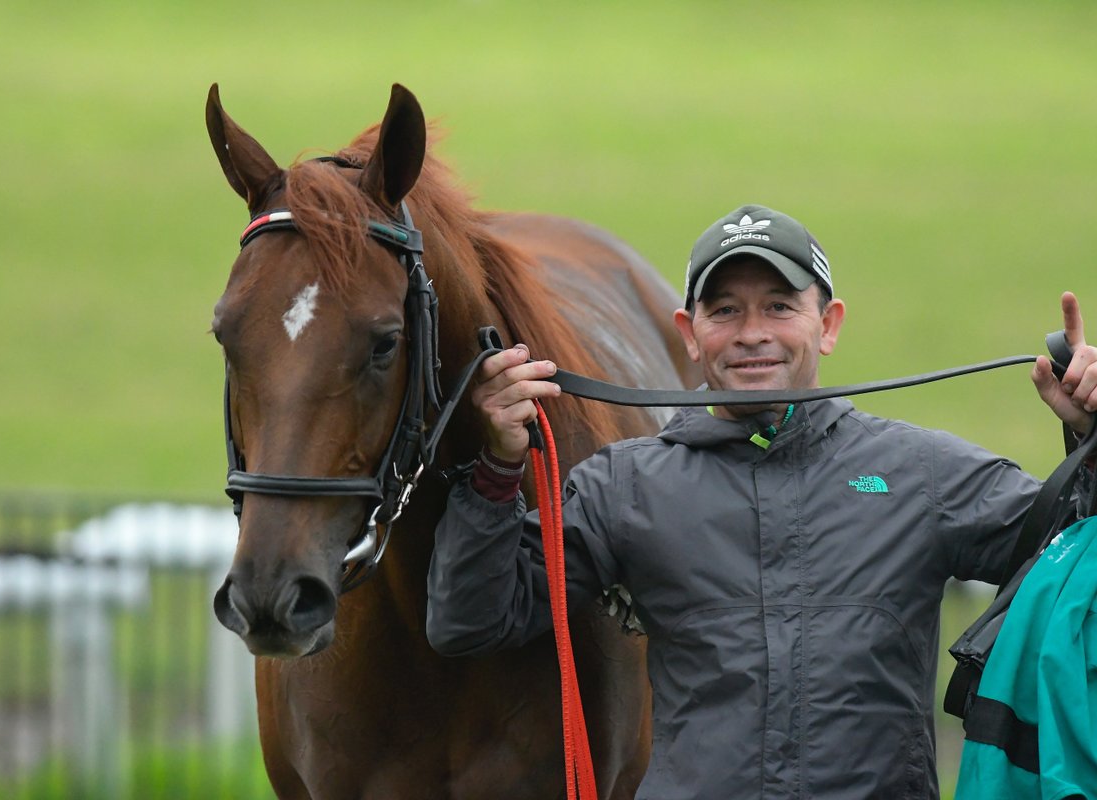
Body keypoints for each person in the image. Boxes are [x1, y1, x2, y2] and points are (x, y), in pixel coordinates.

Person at [425, 203, 1097, 799]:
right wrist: (496, 468)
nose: (753, 333)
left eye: (779, 306)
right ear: (690, 334)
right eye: (725, 311)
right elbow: (472, 619)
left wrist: (1090, 436)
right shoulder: (625, 486)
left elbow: (1072, 563)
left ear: (827, 324)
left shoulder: (918, 471)